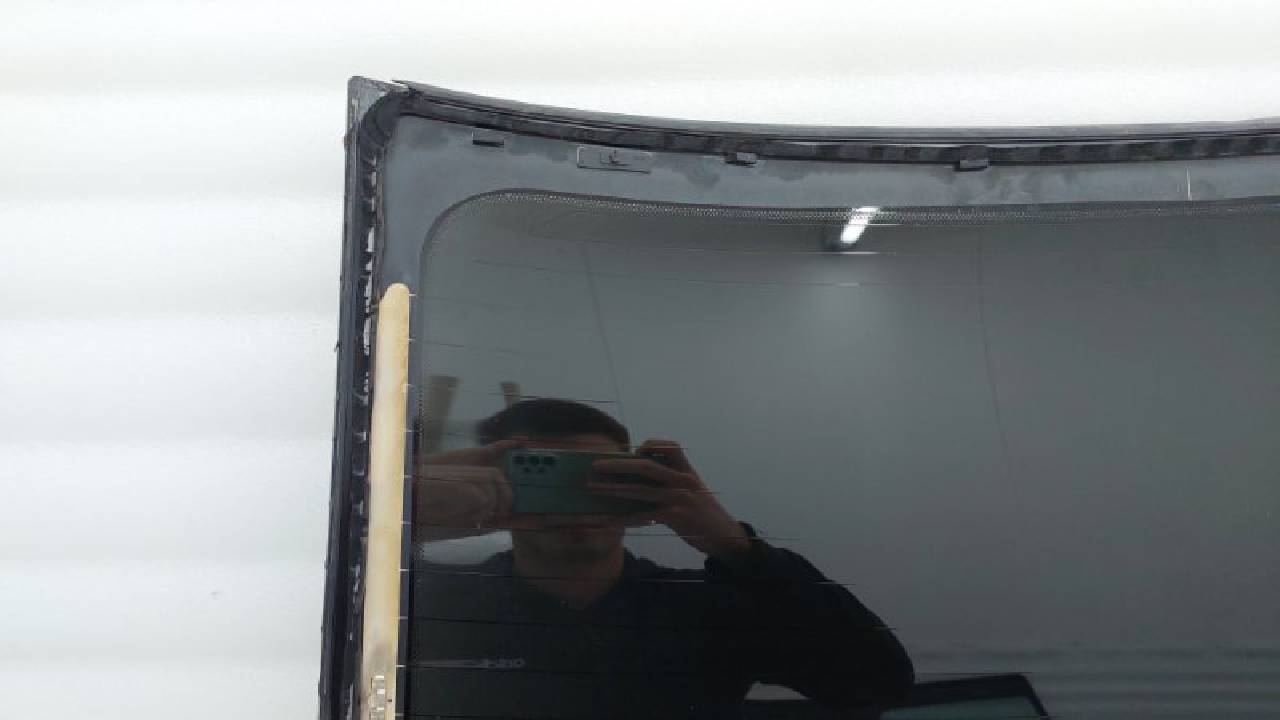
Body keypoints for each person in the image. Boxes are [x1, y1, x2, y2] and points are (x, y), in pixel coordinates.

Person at [408, 398, 914, 719]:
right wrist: (405, 509)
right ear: (500, 481)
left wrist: (735, 545)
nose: (576, 502)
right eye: (544, 474)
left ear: (639, 484)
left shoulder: (704, 608)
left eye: (599, 478)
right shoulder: (430, 601)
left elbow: (876, 683)